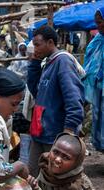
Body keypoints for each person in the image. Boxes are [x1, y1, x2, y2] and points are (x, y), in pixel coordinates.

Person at [27, 25, 85, 177]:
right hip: (40, 131)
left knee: (55, 178)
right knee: (34, 173)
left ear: (50, 42)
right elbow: (36, 92)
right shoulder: (48, 63)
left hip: (55, 134)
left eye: (38, 45)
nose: (35, 49)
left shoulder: (63, 62)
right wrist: (34, 63)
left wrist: (68, 131)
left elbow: (74, 97)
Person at [83, 7, 104, 152]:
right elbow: (88, 65)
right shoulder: (97, 41)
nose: (98, 26)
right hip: (98, 88)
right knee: (100, 118)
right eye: (96, 22)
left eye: (100, 22)